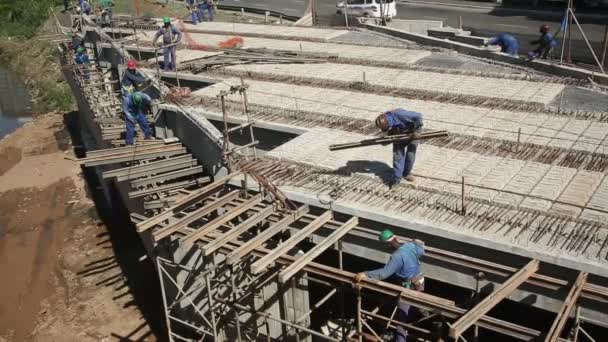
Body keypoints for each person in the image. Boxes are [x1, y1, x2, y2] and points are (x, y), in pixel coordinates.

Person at [355, 230, 425, 342]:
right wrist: (417, 242)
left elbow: (383, 273)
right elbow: (421, 249)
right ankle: (423, 313)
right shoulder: (409, 245)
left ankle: (400, 340)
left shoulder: (396, 256)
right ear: (395, 238)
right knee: (417, 307)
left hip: (408, 288)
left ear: (387, 244)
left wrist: (365, 274)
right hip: (420, 280)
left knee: (401, 320)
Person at [375, 109, 423, 186]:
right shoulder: (388, 121)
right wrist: (386, 139)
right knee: (398, 155)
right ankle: (397, 179)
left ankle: (406, 173)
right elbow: (388, 133)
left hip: (413, 132)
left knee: (410, 155)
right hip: (399, 132)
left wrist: (416, 132)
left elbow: (419, 115)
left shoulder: (400, 114)